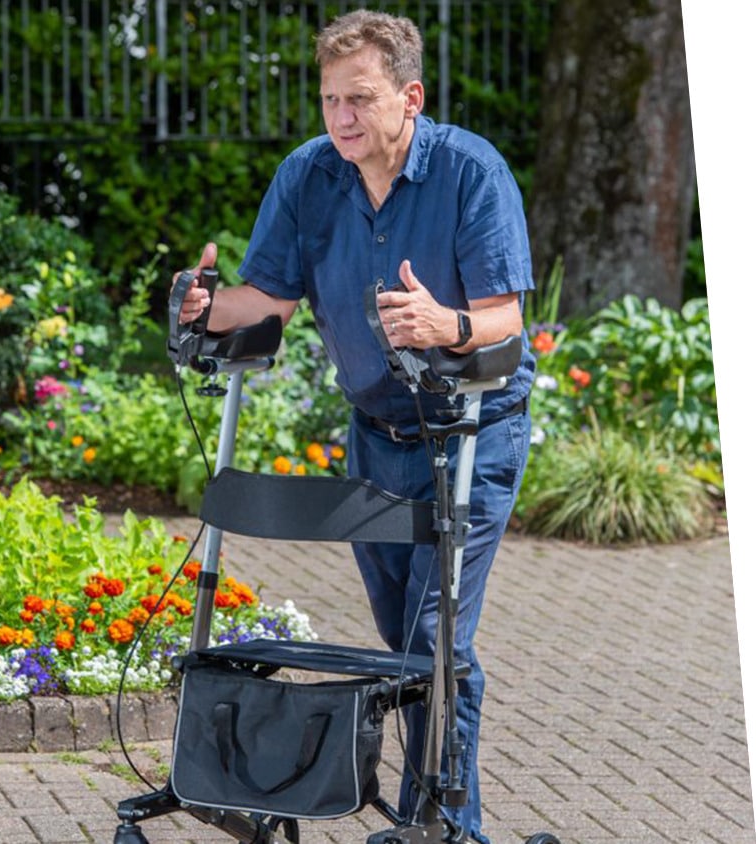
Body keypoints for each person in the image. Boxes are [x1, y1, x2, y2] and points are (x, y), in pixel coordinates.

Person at [175, 10, 535, 843]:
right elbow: (265, 300)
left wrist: (443, 323)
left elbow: (504, 323)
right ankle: (437, 821)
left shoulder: (471, 173)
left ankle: (443, 826)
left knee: (433, 639)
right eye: (331, 100)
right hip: (375, 432)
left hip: (471, 432)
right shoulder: (310, 174)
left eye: (360, 99)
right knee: (404, 643)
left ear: (410, 97)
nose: (341, 118)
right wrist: (204, 305)